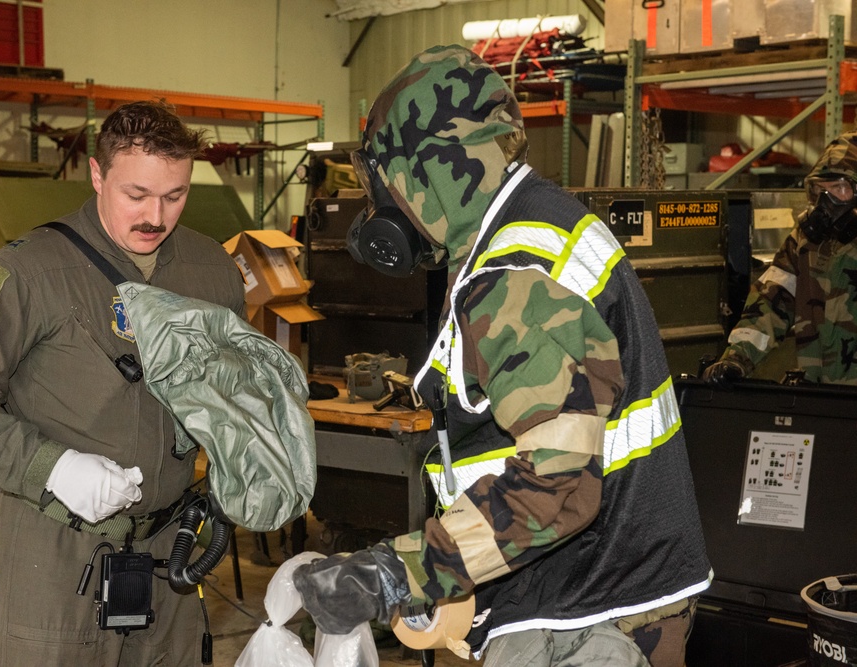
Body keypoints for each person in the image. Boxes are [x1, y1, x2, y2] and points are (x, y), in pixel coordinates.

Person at [292, 45, 712, 666]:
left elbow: (557, 487)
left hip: (587, 618)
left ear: (425, 173)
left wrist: (395, 574)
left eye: (384, 187)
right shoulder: (537, 228)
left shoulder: (513, 276)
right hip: (587, 589)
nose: (385, 213)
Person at [0, 100, 246, 666]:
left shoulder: (211, 269)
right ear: (97, 176)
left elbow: (230, 388)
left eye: (175, 196)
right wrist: (52, 466)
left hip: (167, 553)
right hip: (56, 556)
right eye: (136, 195)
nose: (156, 215)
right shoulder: (29, 270)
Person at [704, 130, 857, 386]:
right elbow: (770, 301)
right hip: (820, 396)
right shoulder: (805, 242)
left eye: (839, 188)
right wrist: (737, 358)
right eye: (820, 189)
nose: (826, 201)